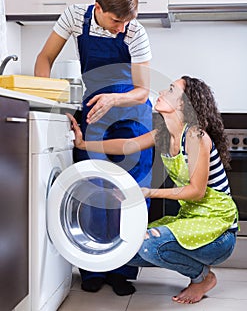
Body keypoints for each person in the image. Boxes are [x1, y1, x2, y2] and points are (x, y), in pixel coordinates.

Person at [67, 75, 239, 304]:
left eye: (170, 90)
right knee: (125, 250)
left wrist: (149, 192)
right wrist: (83, 144)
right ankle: (196, 267)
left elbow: (196, 192)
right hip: (192, 220)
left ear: (184, 103)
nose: (162, 91)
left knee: (148, 244)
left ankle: (203, 278)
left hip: (219, 229)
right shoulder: (164, 133)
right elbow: (128, 145)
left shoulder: (196, 137)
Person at [34, 0, 153, 296]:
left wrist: (116, 98)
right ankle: (91, 268)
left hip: (131, 114)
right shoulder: (75, 17)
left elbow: (142, 91)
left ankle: (122, 270)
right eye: (116, 20)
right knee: (90, 187)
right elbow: (45, 59)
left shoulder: (135, 31)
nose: (121, 28)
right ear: (98, 8)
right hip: (95, 112)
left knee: (126, 194)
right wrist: (47, 100)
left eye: (128, 21)